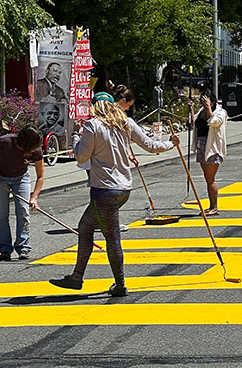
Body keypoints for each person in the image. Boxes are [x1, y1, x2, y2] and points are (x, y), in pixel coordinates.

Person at [49, 92, 179, 297]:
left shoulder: (93, 126)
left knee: (112, 237)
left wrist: (76, 135)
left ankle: (119, 284)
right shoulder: (125, 123)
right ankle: (76, 277)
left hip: (104, 190)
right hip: (123, 189)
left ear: (95, 107)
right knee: (85, 227)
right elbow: (151, 145)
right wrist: (171, 143)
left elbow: (81, 155)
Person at [0, 126, 45, 261]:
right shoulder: (4, 141)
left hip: (21, 179)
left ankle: (23, 248)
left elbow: (40, 176)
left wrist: (34, 197)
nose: (30, 153)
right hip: (0, 178)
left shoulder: (36, 150)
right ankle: (5, 249)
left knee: (23, 211)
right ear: (21, 144)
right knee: (2, 214)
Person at [190, 90, 227, 215]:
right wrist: (191, 109)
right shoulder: (201, 112)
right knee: (207, 178)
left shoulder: (220, 112)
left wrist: (208, 109)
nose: (204, 104)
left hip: (212, 148)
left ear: (213, 101)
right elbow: (193, 123)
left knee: (210, 179)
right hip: (201, 146)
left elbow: (214, 122)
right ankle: (211, 206)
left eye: (206, 101)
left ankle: (214, 207)